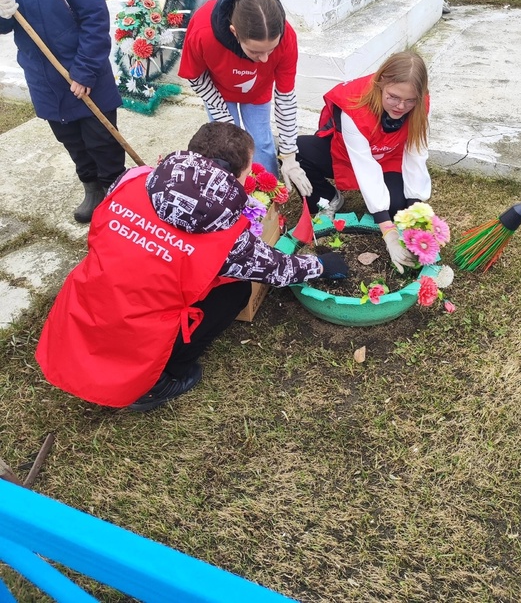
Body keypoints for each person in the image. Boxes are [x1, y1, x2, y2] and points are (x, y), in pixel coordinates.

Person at [35, 122, 348, 412]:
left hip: (88, 300)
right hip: (137, 334)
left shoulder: (133, 178)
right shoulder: (227, 235)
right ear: (238, 173)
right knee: (235, 291)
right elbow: (277, 270)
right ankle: (160, 381)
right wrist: (320, 264)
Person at [0, 0, 125, 223]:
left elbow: (95, 17)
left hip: (84, 66)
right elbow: (6, 27)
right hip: (41, 71)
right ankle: (92, 187)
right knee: (68, 135)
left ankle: (116, 189)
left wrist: (84, 71)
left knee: (102, 137)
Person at [178, 0, 312, 199]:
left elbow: (285, 98)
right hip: (218, 93)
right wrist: (223, 116)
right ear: (234, 32)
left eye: (270, 50)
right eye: (255, 52)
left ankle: (268, 196)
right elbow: (196, 77)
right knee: (228, 148)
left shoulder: (287, 37)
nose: (264, 60)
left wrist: (290, 156)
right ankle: (231, 196)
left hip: (257, 93)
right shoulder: (203, 30)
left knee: (261, 143)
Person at [295, 51, 431, 273]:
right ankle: (329, 199)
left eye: (410, 101)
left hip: (387, 158)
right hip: (348, 156)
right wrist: (388, 231)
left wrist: (414, 212)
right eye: (393, 97)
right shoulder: (354, 105)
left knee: (398, 208)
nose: (400, 106)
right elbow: (365, 167)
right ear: (380, 83)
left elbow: (416, 154)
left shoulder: (420, 104)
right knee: (298, 149)